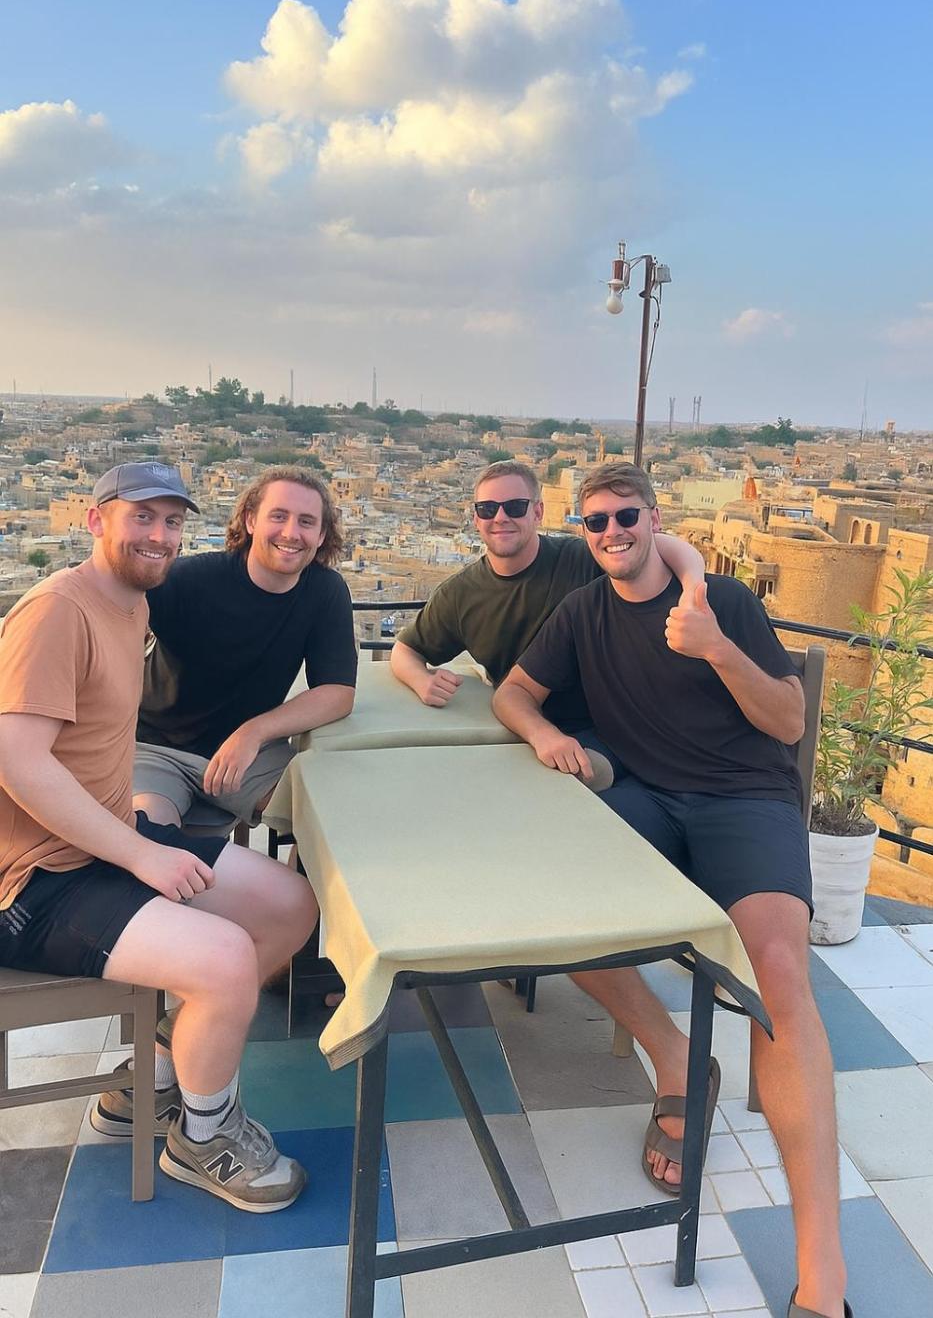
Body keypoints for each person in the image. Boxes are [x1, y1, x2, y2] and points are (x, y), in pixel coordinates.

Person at [492, 461, 851, 1318]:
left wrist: (715, 647)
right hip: (647, 798)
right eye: (595, 522)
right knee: (557, 916)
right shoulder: (581, 612)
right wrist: (539, 732)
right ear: (582, 533)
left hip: (743, 797)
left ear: (655, 518)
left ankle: (822, 1275)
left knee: (777, 975)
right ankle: (676, 1056)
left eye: (626, 516)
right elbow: (512, 692)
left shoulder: (721, 601)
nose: (612, 532)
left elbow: (788, 721)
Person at [0, 461, 318, 1212]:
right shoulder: (58, 611)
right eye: (141, 516)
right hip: (32, 880)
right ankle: (204, 1137)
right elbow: (16, 759)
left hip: (101, 838)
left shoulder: (132, 604)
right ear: (95, 520)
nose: (160, 535)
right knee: (223, 958)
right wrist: (142, 853)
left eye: (172, 521)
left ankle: (159, 1075)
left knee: (289, 905)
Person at [390, 460, 705, 742]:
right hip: (525, 724)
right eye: (487, 509)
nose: (500, 518)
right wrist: (422, 681)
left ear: (538, 512)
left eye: (515, 507)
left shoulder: (579, 558)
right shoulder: (461, 594)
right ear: (476, 518)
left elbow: (659, 546)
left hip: (608, 724)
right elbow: (406, 649)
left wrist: (692, 592)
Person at [133, 465, 357, 832]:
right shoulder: (190, 580)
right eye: (278, 516)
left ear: (321, 536)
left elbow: (337, 692)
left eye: (306, 522)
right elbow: (109, 612)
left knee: (330, 820)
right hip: (157, 749)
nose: (291, 533)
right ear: (251, 520)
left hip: (251, 754)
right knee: (153, 835)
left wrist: (253, 732)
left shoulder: (324, 592)